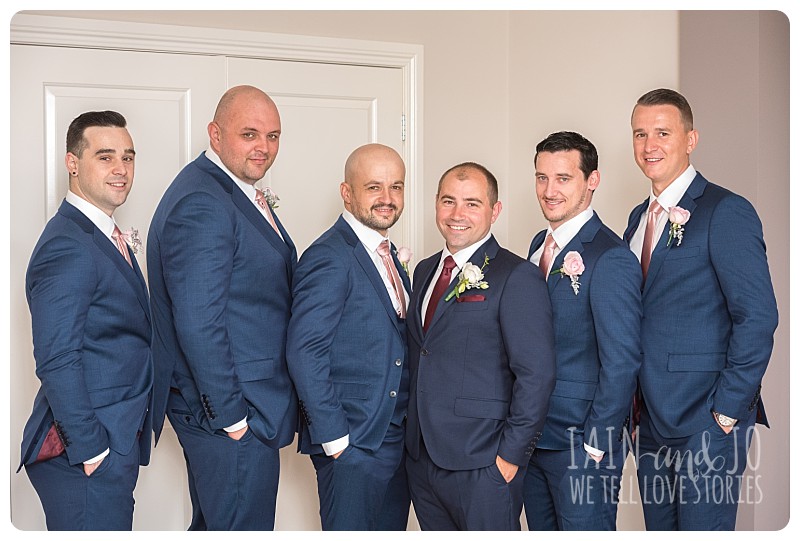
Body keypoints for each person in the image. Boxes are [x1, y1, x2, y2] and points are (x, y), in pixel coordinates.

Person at [625, 88, 778, 530]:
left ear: (691, 139)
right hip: (650, 419)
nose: (649, 145)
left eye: (662, 133)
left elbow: (758, 315)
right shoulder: (637, 219)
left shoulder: (725, 211)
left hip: (706, 420)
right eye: (640, 134)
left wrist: (727, 411)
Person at [147, 85, 298, 530]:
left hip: (239, 406)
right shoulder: (203, 202)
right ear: (215, 134)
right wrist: (232, 417)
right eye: (249, 134)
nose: (264, 148)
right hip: (231, 412)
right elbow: (197, 321)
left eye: (273, 136)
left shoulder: (226, 189)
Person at [404, 162, 556, 530]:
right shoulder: (424, 270)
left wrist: (508, 458)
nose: (457, 214)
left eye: (472, 203)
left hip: (483, 461)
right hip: (422, 459)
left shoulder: (516, 275)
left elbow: (536, 374)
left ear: (494, 210)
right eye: (448, 201)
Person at [19, 111, 152, 530]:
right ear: (72, 163)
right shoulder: (68, 245)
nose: (121, 170)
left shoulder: (99, 234)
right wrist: (92, 450)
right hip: (85, 455)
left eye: (128, 158)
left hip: (114, 437)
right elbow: (57, 357)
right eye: (105, 157)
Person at [286, 143, 411, 530]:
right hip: (353, 441)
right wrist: (336, 439)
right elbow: (304, 350)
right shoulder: (330, 256)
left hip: (396, 439)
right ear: (347, 192)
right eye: (374, 187)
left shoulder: (385, 253)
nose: (387, 199)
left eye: (396, 187)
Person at [521, 131, 642, 530]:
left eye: (563, 178)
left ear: (592, 181)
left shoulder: (610, 257)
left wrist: (597, 441)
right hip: (532, 435)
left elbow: (622, 360)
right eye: (542, 178)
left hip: (580, 443)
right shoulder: (539, 244)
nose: (549, 190)